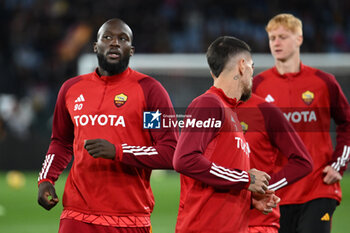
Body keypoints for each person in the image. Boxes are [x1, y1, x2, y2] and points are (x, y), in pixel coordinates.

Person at [37, 18, 178, 233]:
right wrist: (46, 178)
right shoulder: (71, 89)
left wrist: (118, 151)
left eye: (123, 39)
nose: (114, 43)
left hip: (130, 218)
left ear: (131, 50)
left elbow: (170, 152)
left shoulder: (149, 91)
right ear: (96, 46)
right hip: (77, 215)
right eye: (107, 37)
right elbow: (61, 141)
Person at [253, 13, 350, 233]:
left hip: (318, 189)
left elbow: (347, 124)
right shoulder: (257, 86)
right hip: (276, 192)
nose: (276, 43)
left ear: (299, 39)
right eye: (272, 38)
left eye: (283, 37)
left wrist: (338, 165)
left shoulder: (324, 83)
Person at [173, 36, 280, 233]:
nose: (252, 75)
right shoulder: (209, 104)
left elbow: (220, 177)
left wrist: (249, 199)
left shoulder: (230, 112)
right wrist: (246, 180)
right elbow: (184, 159)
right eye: (252, 67)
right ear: (242, 66)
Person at [236, 93, 313, 233]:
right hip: (216, 222)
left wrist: (262, 187)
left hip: (258, 223)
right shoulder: (207, 107)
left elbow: (302, 162)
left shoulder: (265, 110)